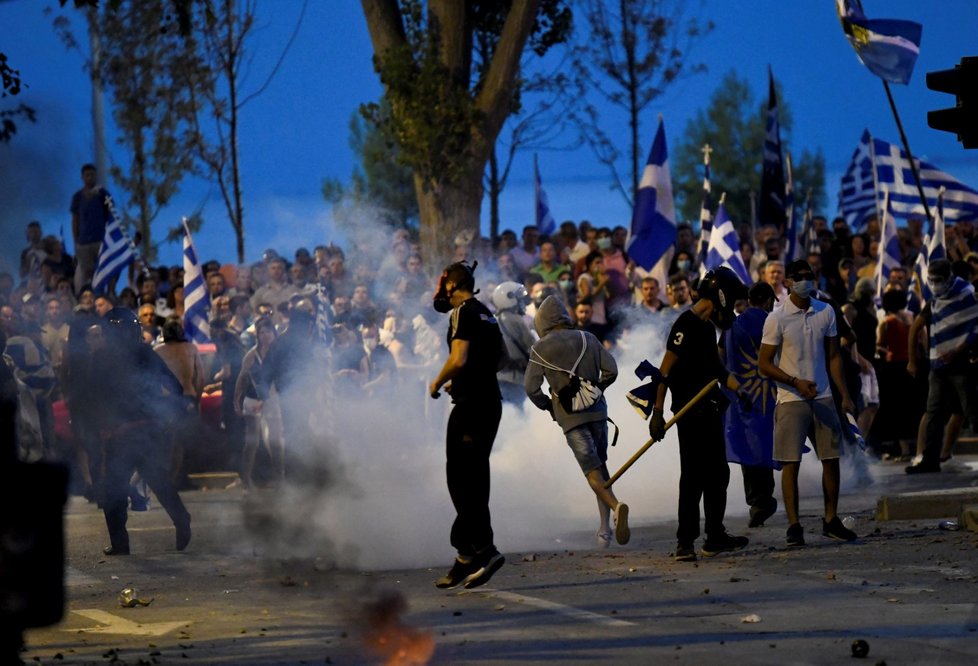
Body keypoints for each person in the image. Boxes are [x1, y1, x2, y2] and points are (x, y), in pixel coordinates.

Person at [648, 267, 751, 562]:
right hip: (689, 412)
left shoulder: (707, 329)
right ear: (720, 296)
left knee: (718, 473)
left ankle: (715, 535)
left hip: (710, 409)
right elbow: (664, 371)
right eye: (730, 301)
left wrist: (738, 388)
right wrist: (657, 412)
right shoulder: (686, 325)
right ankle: (685, 541)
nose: (731, 308)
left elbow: (716, 371)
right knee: (693, 477)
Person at [758, 259, 858, 546]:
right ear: (787, 281)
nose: (806, 280)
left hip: (823, 395)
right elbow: (764, 364)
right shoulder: (776, 318)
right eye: (799, 277)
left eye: (809, 276)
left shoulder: (825, 311)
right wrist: (794, 382)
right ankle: (794, 524)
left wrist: (845, 395)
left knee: (831, 459)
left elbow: (834, 357)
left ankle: (831, 519)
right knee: (791, 462)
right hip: (791, 398)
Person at [525, 295, 630, 548]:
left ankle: (617, 507)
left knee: (591, 471)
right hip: (598, 413)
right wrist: (594, 390)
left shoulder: (540, 348)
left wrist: (550, 406)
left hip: (570, 418)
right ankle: (604, 530)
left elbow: (531, 388)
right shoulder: (588, 338)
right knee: (601, 467)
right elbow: (612, 370)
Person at [428, 261, 505, 590]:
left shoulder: (462, 312)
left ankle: (483, 549)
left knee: (461, 479)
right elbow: (497, 358)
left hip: (472, 407)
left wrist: (437, 382)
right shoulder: (488, 313)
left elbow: (458, 358)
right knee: (474, 478)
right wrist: (462, 380)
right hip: (489, 402)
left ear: (451, 286)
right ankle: (466, 555)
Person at [91, 308, 192, 555]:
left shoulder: (141, 355)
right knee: (117, 487)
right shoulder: (103, 358)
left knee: (150, 481)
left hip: (143, 432)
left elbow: (173, 386)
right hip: (122, 433)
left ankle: (180, 519)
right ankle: (120, 543)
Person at [905, 259, 978, 474]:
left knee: (973, 412)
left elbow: (976, 327)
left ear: (949, 276)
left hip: (962, 363)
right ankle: (930, 460)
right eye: (931, 280)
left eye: (938, 280)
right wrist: (912, 360)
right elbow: (916, 328)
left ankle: (938, 455)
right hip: (937, 364)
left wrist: (959, 349)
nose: (934, 284)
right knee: (934, 412)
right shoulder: (935, 299)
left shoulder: (968, 294)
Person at [721, 282, 779, 528]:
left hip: (738, 396)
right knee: (765, 446)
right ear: (767, 300)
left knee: (746, 447)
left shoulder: (732, 325)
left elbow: (720, 356)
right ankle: (763, 500)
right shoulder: (773, 322)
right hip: (769, 396)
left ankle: (755, 501)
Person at [491, 281, 535, 409]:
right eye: (519, 299)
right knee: (521, 421)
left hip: (498, 379)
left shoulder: (493, 320)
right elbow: (533, 347)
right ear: (509, 299)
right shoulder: (515, 319)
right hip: (515, 378)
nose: (522, 302)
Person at [70, 164, 111, 293]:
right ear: (82, 177)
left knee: (104, 269)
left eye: (92, 175)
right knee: (87, 271)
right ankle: (90, 293)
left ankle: (105, 293)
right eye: (87, 175)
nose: (90, 177)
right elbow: (75, 220)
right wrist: (76, 240)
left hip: (100, 240)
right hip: (84, 242)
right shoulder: (77, 197)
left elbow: (110, 215)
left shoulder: (102, 194)